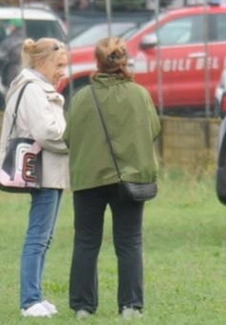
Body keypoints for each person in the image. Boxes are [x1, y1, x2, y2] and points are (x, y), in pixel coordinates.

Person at [65, 37, 160, 319]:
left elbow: (68, 137)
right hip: (129, 179)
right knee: (129, 241)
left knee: (85, 241)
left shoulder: (82, 97)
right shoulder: (139, 95)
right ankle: (131, 306)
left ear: (97, 62)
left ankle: (83, 307)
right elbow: (154, 129)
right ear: (124, 60)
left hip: (88, 179)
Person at [4, 38, 69, 318]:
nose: (63, 71)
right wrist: (73, 140)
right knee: (37, 237)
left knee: (45, 236)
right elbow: (46, 132)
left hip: (51, 171)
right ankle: (29, 300)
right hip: (43, 171)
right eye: (59, 65)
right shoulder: (32, 89)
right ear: (42, 62)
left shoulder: (37, 88)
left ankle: (37, 295)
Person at [1, 19, 29, 87]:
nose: (8, 28)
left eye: (10, 26)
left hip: (12, 75)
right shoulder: (27, 41)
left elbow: (2, 57)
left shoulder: (9, 42)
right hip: (26, 75)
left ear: (14, 27)